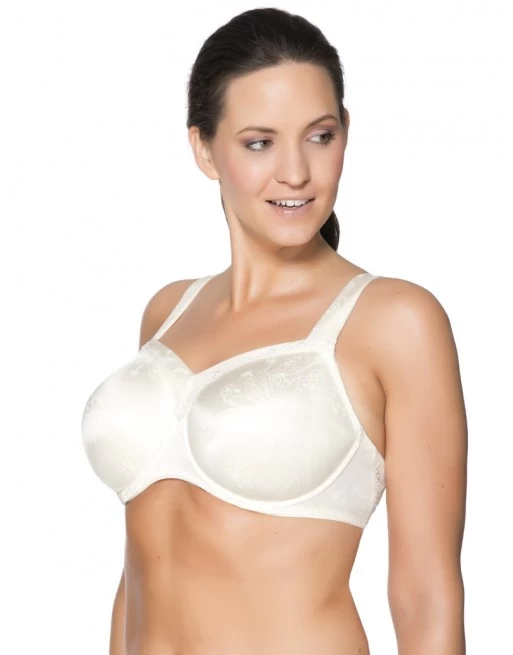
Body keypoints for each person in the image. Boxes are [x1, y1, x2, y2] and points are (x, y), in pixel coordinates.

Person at [81, 7, 467, 654]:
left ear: (345, 132)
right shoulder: (167, 312)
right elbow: (142, 568)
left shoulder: (393, 321)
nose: (295, 172)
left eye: (319, 136)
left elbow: (425, 598)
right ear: (204, 148)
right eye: (259, 142)